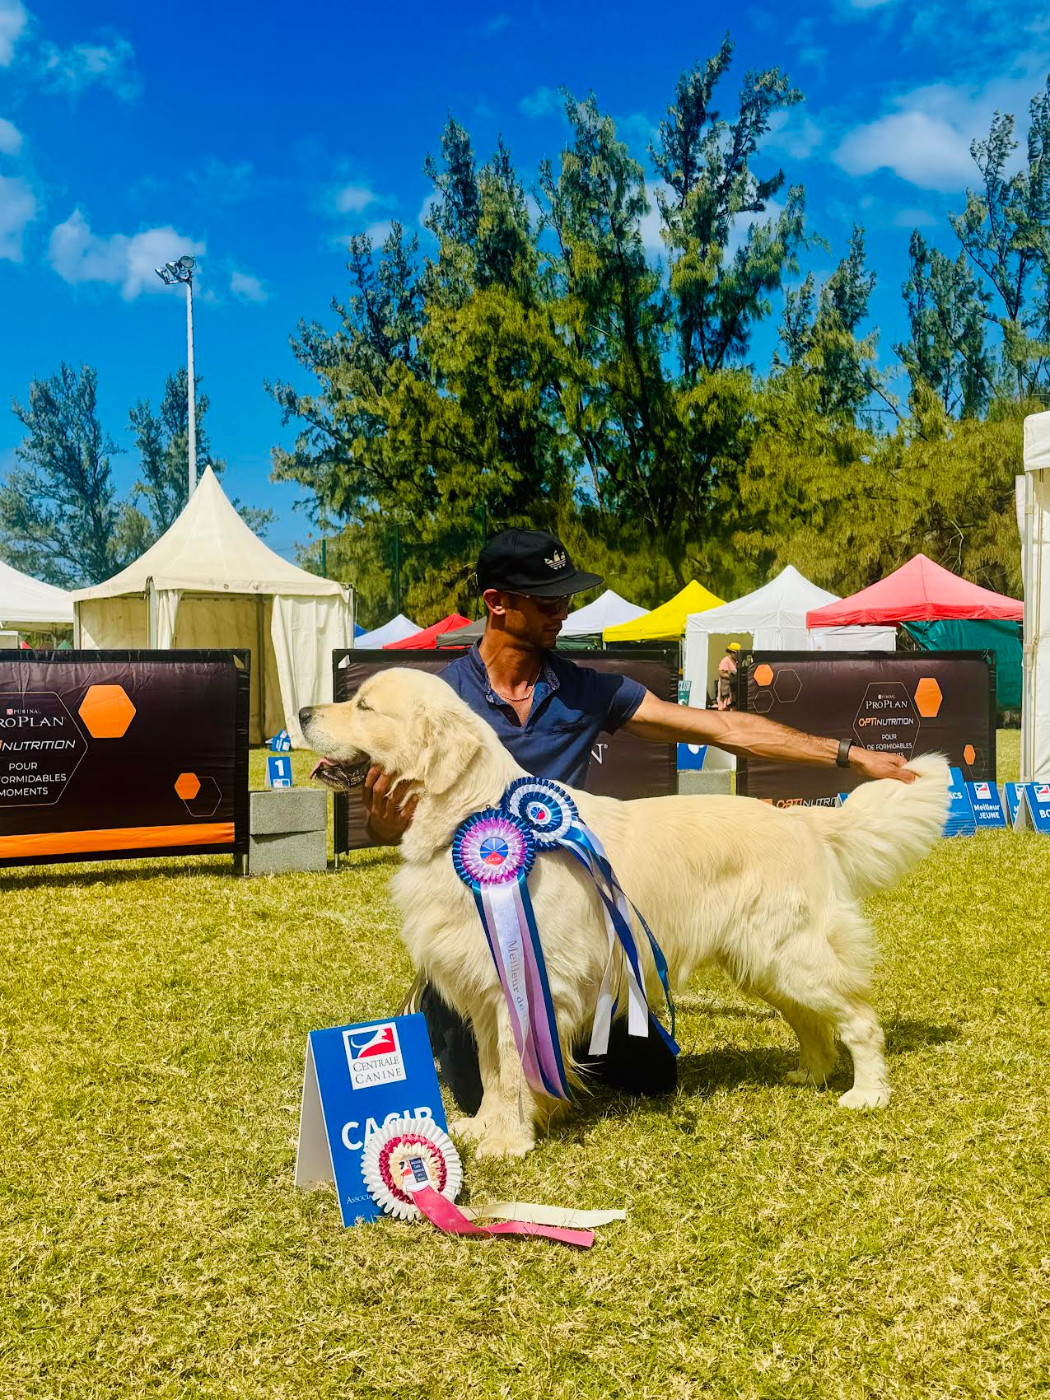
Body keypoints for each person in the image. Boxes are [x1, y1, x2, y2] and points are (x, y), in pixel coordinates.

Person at [362, 528, 912, 1111]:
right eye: (547, 600)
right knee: (476, 1090)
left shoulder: (584, 689)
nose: (563, 612)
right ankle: (446, 1011)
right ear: (498, 603)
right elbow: (394, 830)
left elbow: (722, 728)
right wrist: (382, 824)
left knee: (651, 1079)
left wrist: (850, 756)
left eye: (566, 598)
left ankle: (836, 1047)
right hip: (480, 926)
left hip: (569, 917)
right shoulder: (440, 701)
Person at [716, 642, 741, 710]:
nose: (736, 655)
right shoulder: (725, 660)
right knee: (725, 705)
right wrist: (731, 676)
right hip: (726, 686)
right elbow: (721, 672)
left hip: (733, 686)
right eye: (735, 653)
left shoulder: (737, 661)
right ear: (731, 652)